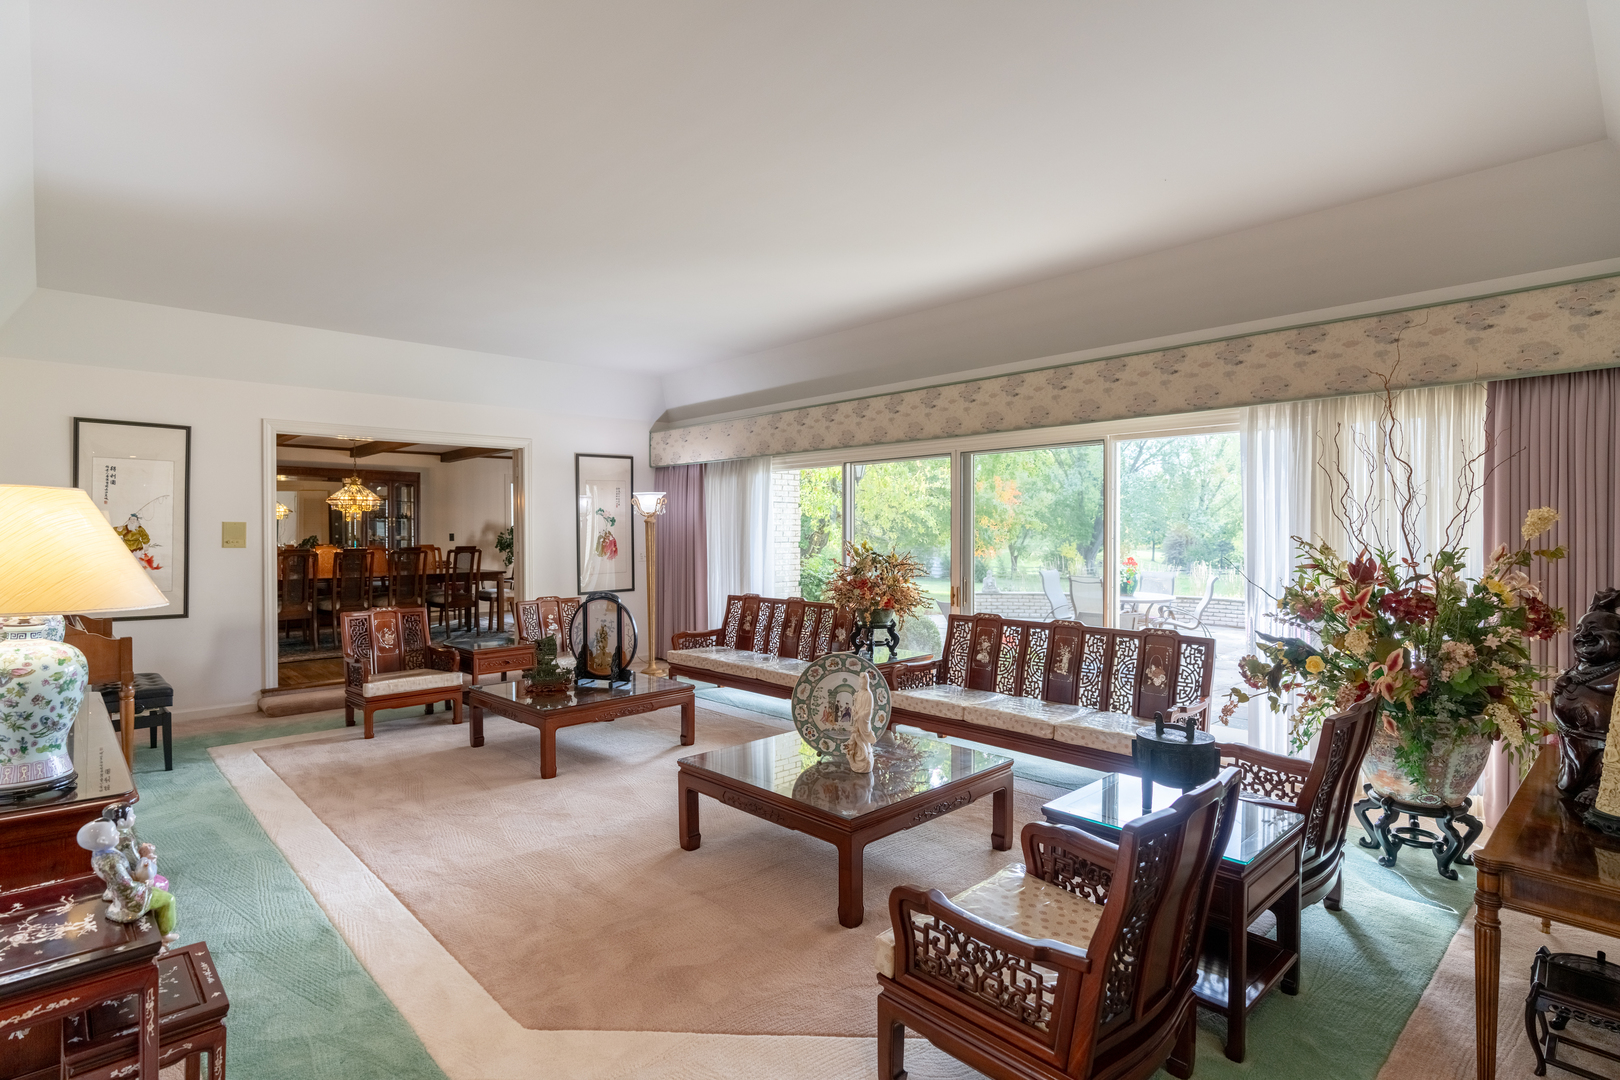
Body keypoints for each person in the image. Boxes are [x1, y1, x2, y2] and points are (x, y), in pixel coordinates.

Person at [76, 819, 178, 943]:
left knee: (157, 885)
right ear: (102, 840)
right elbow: (126, 886)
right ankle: (164, 934)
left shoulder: (98, 855)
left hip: (119, 891)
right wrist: (143, 882)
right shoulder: (112, 862)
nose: (117, 833)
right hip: (130, 901)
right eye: (114, 832)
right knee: (169, 899)